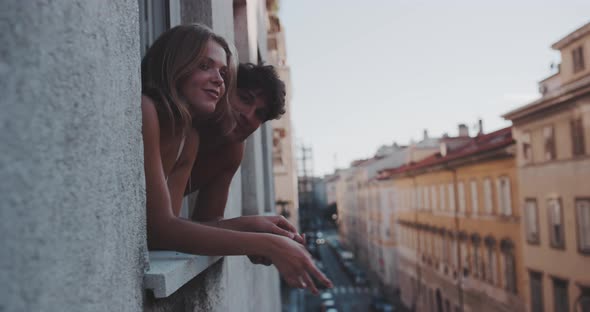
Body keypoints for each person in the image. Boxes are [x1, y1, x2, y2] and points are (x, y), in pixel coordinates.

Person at [141, 23, 331, 294]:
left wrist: (253, 227)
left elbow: (172, 227)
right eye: (205, 66)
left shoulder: (192, 138)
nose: (249, 116)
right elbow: (162, 229)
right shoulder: (149, 112)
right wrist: (263, 243)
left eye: (221, 72)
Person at [186, 63, 290, 265]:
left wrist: (252, 238)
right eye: (244, 99)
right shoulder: (186, 123)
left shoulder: (232, 149)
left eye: (259, 114)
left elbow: (205, 225)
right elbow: (162, 227)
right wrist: (249, 236)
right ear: (224, 91)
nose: (248, 115)